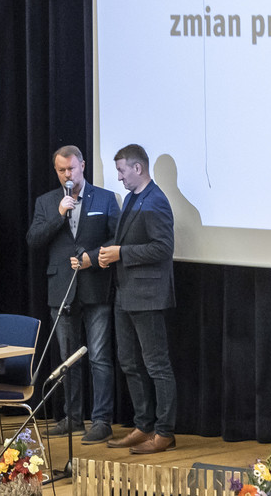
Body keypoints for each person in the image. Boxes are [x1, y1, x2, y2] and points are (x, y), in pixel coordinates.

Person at [25, 145, 119, 444]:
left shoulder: (105, 198)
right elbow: (34, 239)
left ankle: (102, 420)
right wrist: (59, 214)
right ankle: (73, 417)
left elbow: (118, 238)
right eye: (62, 170)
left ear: (83, 166)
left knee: (100, 357)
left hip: (96, 286)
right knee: (68, 359)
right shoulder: (47, 202)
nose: (68, 174)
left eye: (72, 169)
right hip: (61, 288)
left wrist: (93, 257)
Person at [99, 144, 176, 454]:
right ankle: (143, 426)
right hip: (125, 292)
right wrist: (108, 253)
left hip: (148, 296)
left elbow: (163, 248)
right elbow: (125, 241)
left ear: (138, 168)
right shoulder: (133, 198)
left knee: (157, 365)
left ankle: (164, 432)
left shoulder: (156, 201)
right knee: (129, 362)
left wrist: (122, 253)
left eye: (121, 171)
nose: (119, 177)